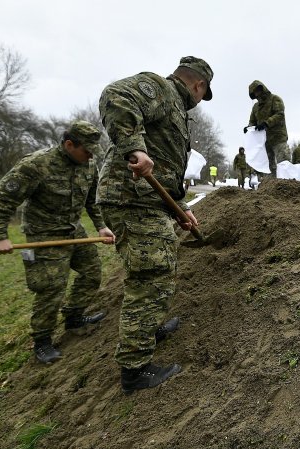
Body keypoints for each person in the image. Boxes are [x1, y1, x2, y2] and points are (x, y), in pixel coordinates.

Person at [97, 55, 213, 394]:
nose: (198, 103)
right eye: (201, 96)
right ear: (198, 85)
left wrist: (179, 207)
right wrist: (133, 146)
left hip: (148, 201)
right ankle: (135, 370)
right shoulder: (161, 88)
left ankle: (149, 330)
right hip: (131, 199)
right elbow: (115, 95)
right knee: (151, 275)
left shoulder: (173, 107)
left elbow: (162, 169)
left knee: (157, 270)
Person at [0, 121, 116, 364]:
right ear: (68, 144)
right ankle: (42, 340)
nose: (90, 156)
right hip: (44, 235)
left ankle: (74, 317)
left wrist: (101, 226)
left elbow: (91, 200)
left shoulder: (88, 164)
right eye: (86, 150)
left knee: (92, 271)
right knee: (51, 287)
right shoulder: (36, 165)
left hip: (73, 229)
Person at [245, 80, 290, 178]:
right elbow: (252, 121)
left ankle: (288, 186)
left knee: (284, 163)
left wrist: (266, 123)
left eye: (257, 91)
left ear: (262, 89)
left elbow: (279, 114)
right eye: (254, 93)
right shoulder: (256, 107)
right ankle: (271, 188)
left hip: (278, 138)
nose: (256, 94)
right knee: (269, 167)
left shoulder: (275, 99)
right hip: (265, 141)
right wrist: (249, 128)